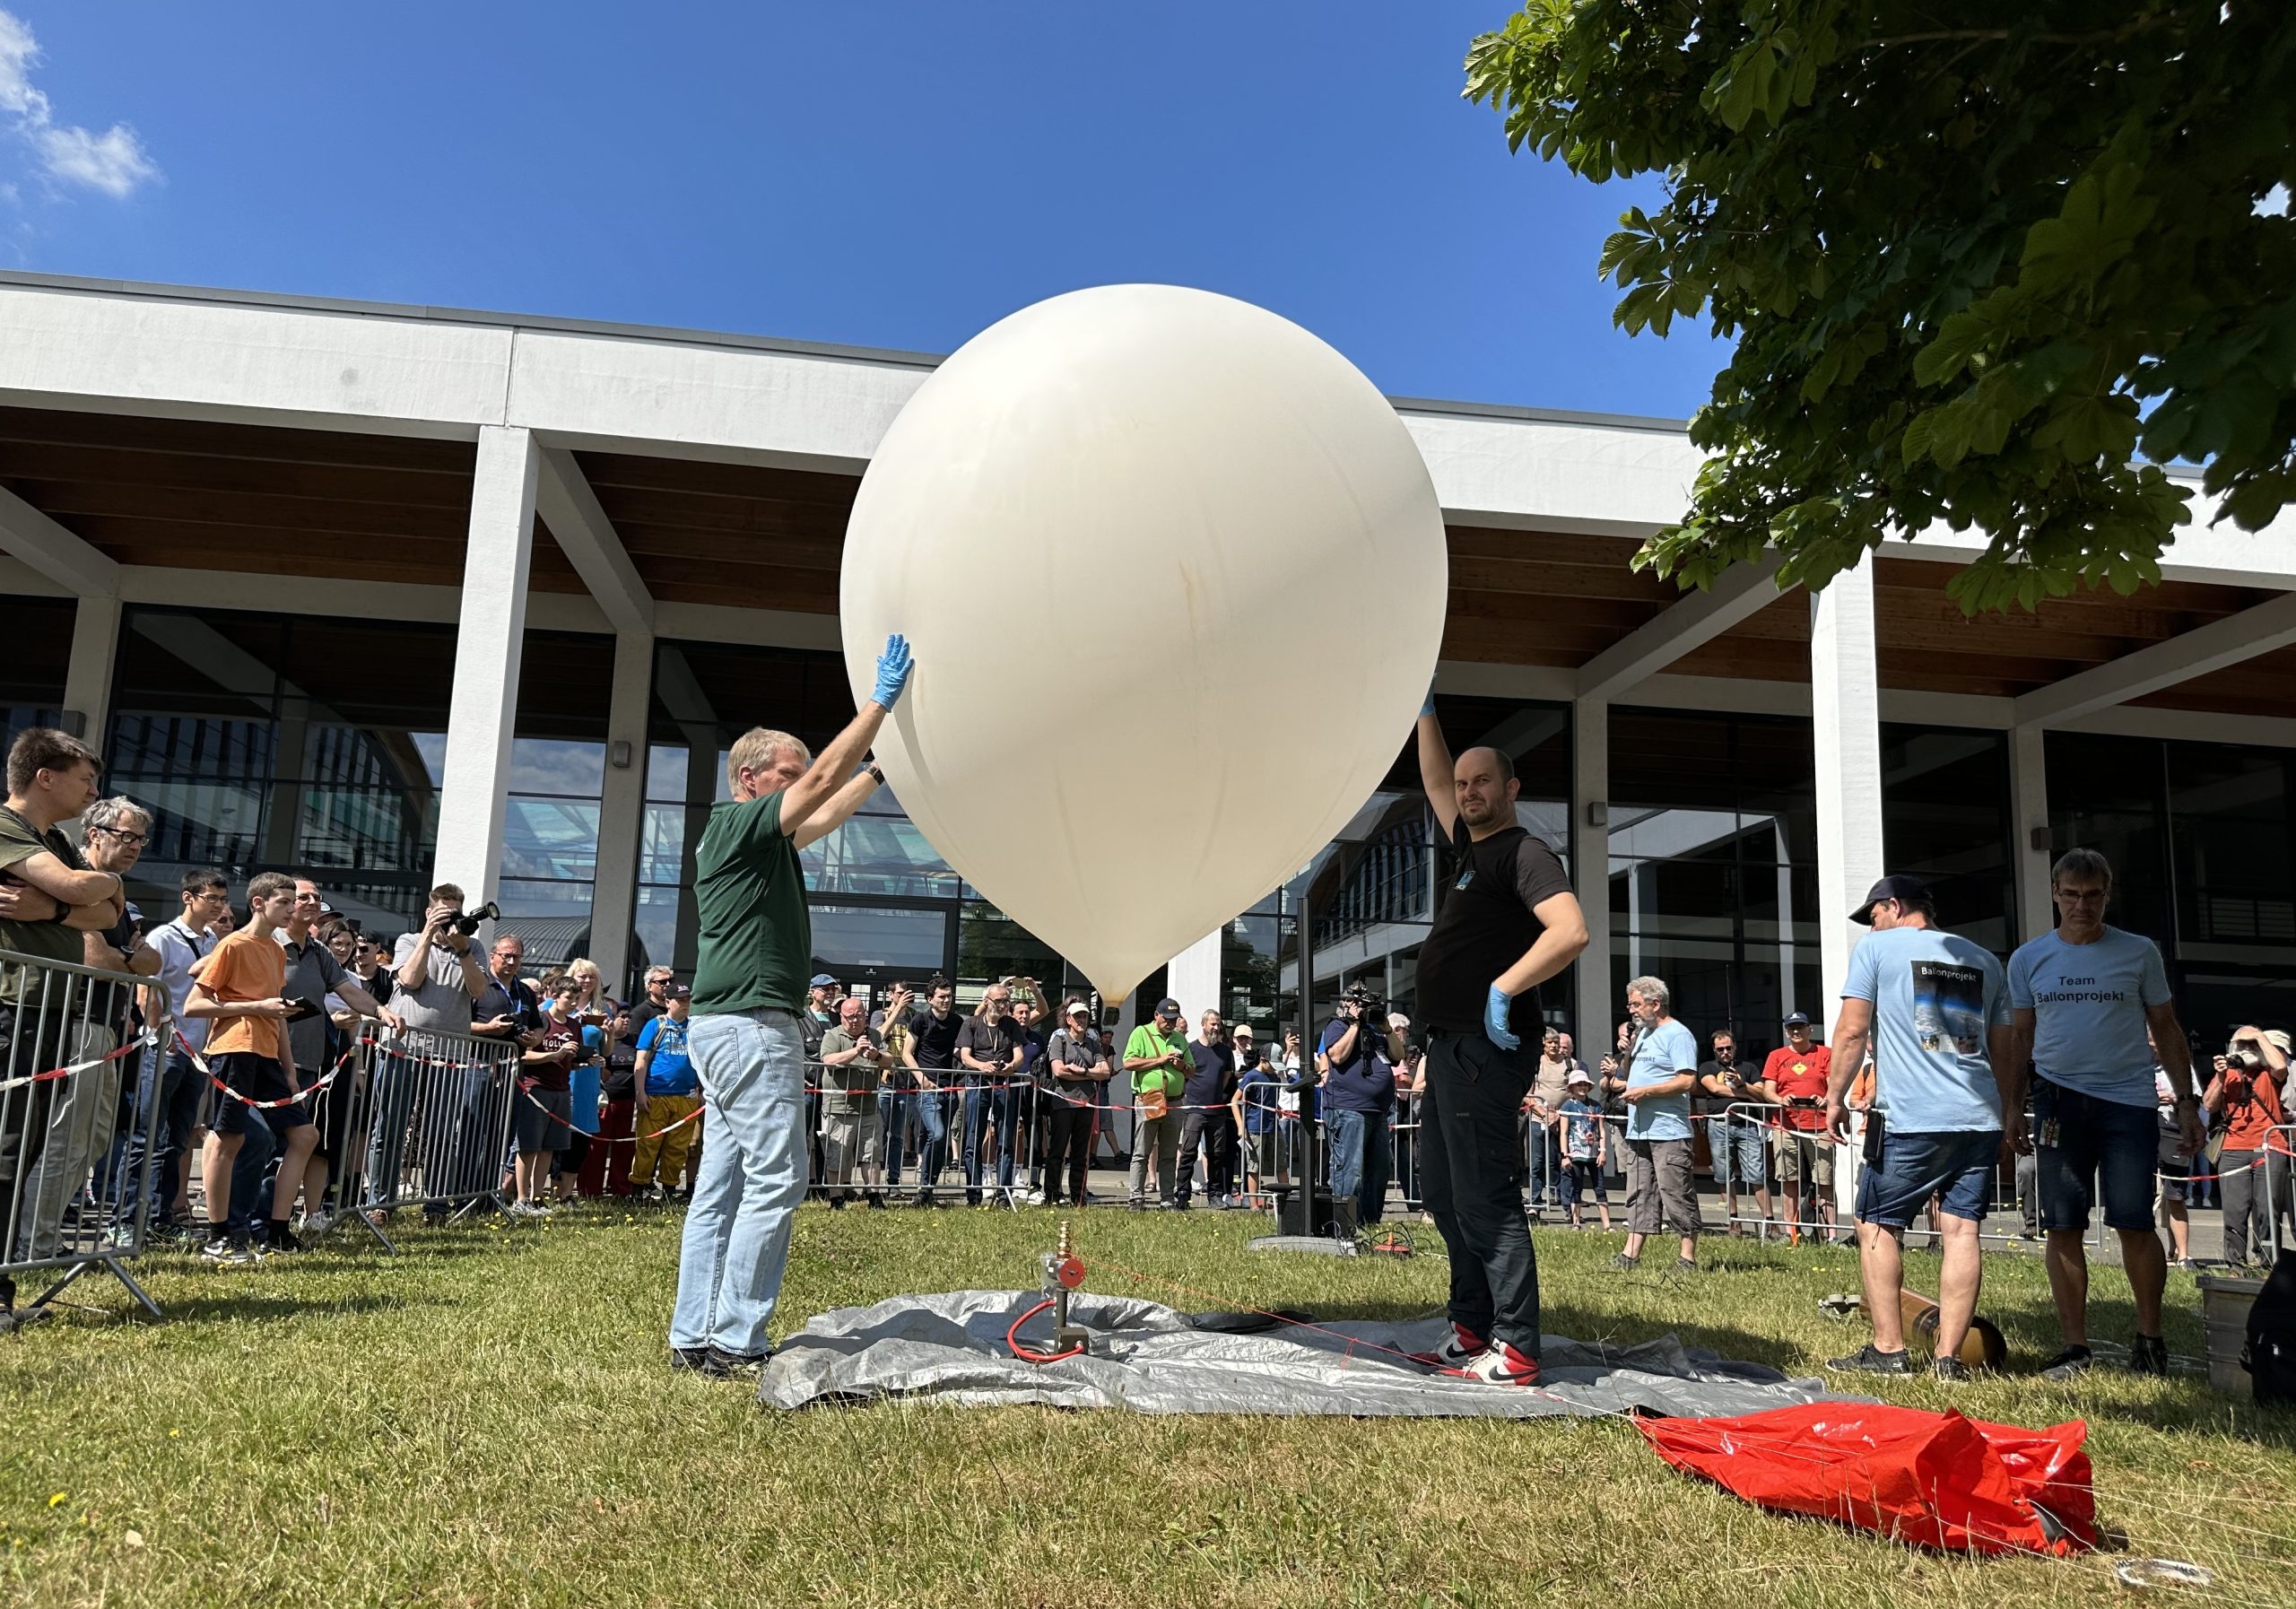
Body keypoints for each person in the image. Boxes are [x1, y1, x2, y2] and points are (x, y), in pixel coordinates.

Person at [669, 631, 910, 1377]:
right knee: (778, 1178)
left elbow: (825, 809)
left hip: (727, 1023)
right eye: (789, 772)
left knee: (725, 1183)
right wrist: (880, 703)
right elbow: (820, 785)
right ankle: (738, 1337)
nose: (804, 780)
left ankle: (695, 1335)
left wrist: (880, 769)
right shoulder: (737, 822)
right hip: (748, 1023)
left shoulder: (755, 839)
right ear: (749, 778)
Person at [1409, 707, 1588, 1387]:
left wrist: (1502, 988)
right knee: (1446, 1196)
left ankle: (1516, 1349)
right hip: (1449, 1050)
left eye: (1483, 781)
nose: (1468, 792)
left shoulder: (1525, 852)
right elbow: (1432, 779)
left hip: (1485, 1050)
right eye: (1464, 784)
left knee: (1486, 1198)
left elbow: (1570, 931)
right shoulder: (1470, 850)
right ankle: (1471, 1328)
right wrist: (1428, 713)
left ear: (1512, 789)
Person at [2006, 848, 2201, 1380]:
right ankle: (2075, 1347)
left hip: (2129, 1103)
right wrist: (2011, 1108)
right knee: (2063, 1226)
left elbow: (2166, 1026)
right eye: (2071, 895)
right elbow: (2021, 1037)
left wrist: (2187, 1103)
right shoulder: (2028, 958)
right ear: (2055, 894)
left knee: (2134, 1222)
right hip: (2056, 1105)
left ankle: (2150, 1339)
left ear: (2106, 896)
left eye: (2092, 896)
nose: (2081, 906)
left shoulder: (2139, 953)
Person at [1824, 874, 2013, 1380]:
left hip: (1911, 1117)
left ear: (1893, 906)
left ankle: (1889, 1350)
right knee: (1962, 1229)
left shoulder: (1877, 949)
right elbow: (2007, 1047)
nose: (1872, 925)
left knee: (1876, 1224)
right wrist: (2010, 1111)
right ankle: (1948, 1359)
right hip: (1979, 1117)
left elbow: (1851, 1029)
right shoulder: (1986, 959)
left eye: (1874, 915)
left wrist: (1835, 1097)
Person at [0, 728, 126, 1311]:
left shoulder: (52, 839)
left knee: (20, 1150)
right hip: (13, 1009)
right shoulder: (7, 827)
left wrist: (55, 906)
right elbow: (83, 890)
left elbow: (106, 913)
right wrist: (81, 894)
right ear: (45, 776)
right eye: (85, 779)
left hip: (48, 1008)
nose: (93, 790)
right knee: (5, 1147)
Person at [185, 874, 319, 1262]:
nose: (293, 909)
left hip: (266, 1056)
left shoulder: (276, 951)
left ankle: (276, 1229)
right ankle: (218, 1236)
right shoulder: (233, 944)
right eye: (284, 902)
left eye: (294, 902)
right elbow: (194, 1005)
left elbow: (275, 1011)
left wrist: (289, 1067)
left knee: (304, 1136)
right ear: (259, 903)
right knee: (228, 1139)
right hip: (233, 1050)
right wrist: (254, 1007)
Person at [277, 880, 397, 1232]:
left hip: (313, 1062)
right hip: (270, 1056)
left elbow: (347, 991)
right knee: (266, 1144)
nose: (313, 902)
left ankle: (282, 1223)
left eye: (317, 897)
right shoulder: (265, 944)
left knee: (310, 1140)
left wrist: (382, 1012)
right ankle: (245, 1225)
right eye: (305, 898)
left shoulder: (318, 953)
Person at [117, 868, 229, 1239]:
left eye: (222, 899)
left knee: (176, 1139)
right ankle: (127, 1221)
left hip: (199, 1053)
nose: (218, 906)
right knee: (145, 1136)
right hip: (166, 1048)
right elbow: (147, 987)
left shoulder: (213, 939)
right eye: (211, 898)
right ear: (189, 897)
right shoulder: (164, 936)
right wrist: (157, 1031)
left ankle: (161, 1218)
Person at [1614, 976, 1700, 1274]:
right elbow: (1627, 1075)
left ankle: (1687, 1257)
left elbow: (1687, 1080)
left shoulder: (1678, 1035)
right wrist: (1624, 1055)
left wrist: (1647, 1091)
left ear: (1656, 1003)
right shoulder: (1643, 1035)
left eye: (1636, 1004)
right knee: (1639, 1192)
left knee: (1675, 1191)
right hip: (1639, 1128)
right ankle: (1629, 1255)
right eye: (1630, 1005)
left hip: (1669, 1131)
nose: (1632, 1011)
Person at [2205, 1025, 2292, 1269]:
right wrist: (2221, 1077)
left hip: (2269, 1147)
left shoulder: (2268, 1071)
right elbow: (2210, 1105)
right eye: (2241, 1044)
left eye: (2251, 1044)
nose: (2246, 1048)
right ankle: (2235, 1264)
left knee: (2268, 1210)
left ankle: (2266, 1263)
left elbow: (2281, 1067)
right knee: (2234, 1211)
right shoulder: (2229, 1074)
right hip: (2233, 1149)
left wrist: (2259, 1036)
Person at [1320, 989, 1405, 1234]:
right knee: (1350, 1170)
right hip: (1348, 1108)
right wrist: (1355, 1024)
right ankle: (1343, 1228)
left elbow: (1398, 1056)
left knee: (1379, 1170)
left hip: (1379, 1111)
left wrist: (1387, 1028)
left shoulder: (1377, 1030)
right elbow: (1336, 1056)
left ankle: (1369, 1224)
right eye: (1358, 1003)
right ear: (1346, 1004)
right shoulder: (1337, 1026)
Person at [510, 979, 585, 1217]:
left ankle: (538, 1197)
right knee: (529, 1145)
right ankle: (521, 1198)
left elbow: (568, 1062)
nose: (573, 1004)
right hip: (536, 1088)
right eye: (568, 998)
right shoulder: (541, 1019)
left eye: (576, 999)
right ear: (554, 995)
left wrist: (582, 1062)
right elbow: (525, 1055)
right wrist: (556, 1053)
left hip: (561, 1090)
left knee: (549, 1147)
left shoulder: (574, 1025)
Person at [1758, 1013, 1835, 1243]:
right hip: (1785, 1124)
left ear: (1810, 1029)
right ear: (1785, 1031)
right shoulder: (1776, 1055)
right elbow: (1767, 1089)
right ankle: (1791, 1234)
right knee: (1788, 1180)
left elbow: (1834, 1085)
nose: (1796, 1031)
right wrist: (1780, 1100)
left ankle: (1830, 1235)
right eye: (1791, 1028)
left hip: (1819, 1125)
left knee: (1825, 1181)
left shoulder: (1825, 1053)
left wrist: (1826, 1099)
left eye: (1800, 1027)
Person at [955, 979, 1026, 1207]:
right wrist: (982, 1066)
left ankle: (1004, 1194)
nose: (1004, 1005)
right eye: (999, 1001)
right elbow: (965, 1056)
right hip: (978, 1083)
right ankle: (973, 1194)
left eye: (1007, 1001)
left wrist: (1010, 1067)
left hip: (1004, 1086)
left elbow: (1019, 1055)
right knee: (973, 1140)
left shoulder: (1011, 1025)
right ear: (986, 1002)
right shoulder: (972, 1024)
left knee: (1006, 1140)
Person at [892, 975, 962, 1205]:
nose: (946, 1000)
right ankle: (924, 1187)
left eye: (949, 996)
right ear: (930, 999)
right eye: (942, 997)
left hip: (949, 1086)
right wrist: (921, 1078)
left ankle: (927, 1190)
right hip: (927, 1088)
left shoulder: (957, 1021)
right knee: (938, 1133)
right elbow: (906, 1053)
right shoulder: (920, 1021)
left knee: (941, 1142)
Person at [630, 985, 701, 1203]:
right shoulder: (656, 1025)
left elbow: (702, 1063)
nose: (685, 1003)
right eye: (680, 999)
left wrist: (700, 1090)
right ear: (668, 1002)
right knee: (648, 1145)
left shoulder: (695, 1028)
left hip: (686, 1097)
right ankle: (639, 1189)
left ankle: (669, 1191)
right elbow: (641, 1060)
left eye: (688, 999)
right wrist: (640, 1092)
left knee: (678, 1147)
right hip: (655, 1095)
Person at [816, 996, 885, 1207]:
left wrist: (877, 1056)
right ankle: (836, 1198)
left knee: (872, 1154)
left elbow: (890, 1060)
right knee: (837, 1156)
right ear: (841, 1016)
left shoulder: (875, 1035)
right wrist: (856, 1050)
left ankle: (874, 1197)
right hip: (838, 1108)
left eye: (859, 1016)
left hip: (869, 1107)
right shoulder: (833, 1036)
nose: (855, 1021)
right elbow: (828, 1060)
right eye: (850, 1017)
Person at [1123, 997, 1190, 1211]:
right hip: (1148, 1101)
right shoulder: (1140, 1033)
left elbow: (1193, 1071)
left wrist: (1181, 1066)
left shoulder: (1180, 1038)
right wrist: (1160, 1060)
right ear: (1156, 1015)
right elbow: (1128, 1062)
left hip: (1174, 1103)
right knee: (1141, 1153)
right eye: (1167, 1019)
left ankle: (1167, 1199)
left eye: (1174, 1019)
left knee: (1169, 1155)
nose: (1170, 1023)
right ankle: (1136, 1199)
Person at [1043, 1000, 1108, 1207]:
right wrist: (1090, 1075)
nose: (1081, 1020)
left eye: (1085, 1017)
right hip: (1063, 1103)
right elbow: (1059, 1071)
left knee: (1081, 1153)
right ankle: (1052, 1195)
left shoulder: (1093, 1043)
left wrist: (1082, 1072)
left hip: (1086, 1105)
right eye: (1077, 1016)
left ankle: (1078, 1197)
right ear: (1068, 1019)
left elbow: (1105, 1072)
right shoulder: (1059, 1041)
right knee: (1058, 1151)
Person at [1176, 1009, 1240, 1210]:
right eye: (1212, 1023)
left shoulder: (1224, 1051)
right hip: (1195, 1109)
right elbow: (1184, 1076)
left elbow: (1227, 1076)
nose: (1216, 1027)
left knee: (1216, 1154)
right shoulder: (1191, 1049)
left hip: (1217, 1111)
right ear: (1203, 1024)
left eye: (1218, 1024)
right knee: (1188, 1152)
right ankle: (1183, 1194)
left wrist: (1216, 1095)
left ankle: (1214, 1194)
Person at [1557, 1068, 1612, 1230]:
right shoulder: (1568, 1106)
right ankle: (1576, 1222)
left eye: (1585, 1084)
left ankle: (1607, 1225)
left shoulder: (1595, 1106)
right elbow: (1564, 1133)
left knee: (1600, 1187)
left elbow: (1601, 1130)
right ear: (1571, 1088)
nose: (1582, 1087)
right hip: (1575, 1154)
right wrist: (1565, 1155)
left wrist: (1603, 1151)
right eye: (1578, 1085)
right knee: (1576, 1186)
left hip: (1594, 1154)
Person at [1232, 1036, 1283, 1209]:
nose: (1275, 1070)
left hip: (1273, 1127)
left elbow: (1270, 1099)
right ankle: (1254, 1205)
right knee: (1254, 1167)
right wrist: (1241, 1126)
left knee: (1281, 1164)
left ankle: (1284, 1201)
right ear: (1263, 1061)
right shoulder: (1251, 1076)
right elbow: (1235, 1101)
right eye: (1273, 1065)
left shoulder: (1274, 1077)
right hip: (1255, 1128)